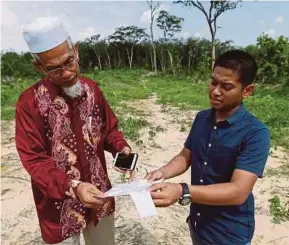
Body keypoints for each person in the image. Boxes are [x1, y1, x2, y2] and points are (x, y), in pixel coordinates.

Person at [15, 16, 133, 245]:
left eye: (69, 62)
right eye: (54, 69)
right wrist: (73, 186)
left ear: (76, 51)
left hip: (100, 197)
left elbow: (108, 131)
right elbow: (35, 159)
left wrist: (123, 149)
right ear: (38, 67)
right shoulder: (28, 103)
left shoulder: (92, 89)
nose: (67, 73)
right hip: (58, 206)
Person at [145, 50, 271, 245]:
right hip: (198, 223)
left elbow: (238, 191)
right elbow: (186, 156)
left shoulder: (255, 133)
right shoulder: (202, 118)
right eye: (213, 82)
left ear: (247, 91)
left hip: (229, 234)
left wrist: (182, 190)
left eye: (226, 86)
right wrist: (162, 172)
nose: (215, 91)